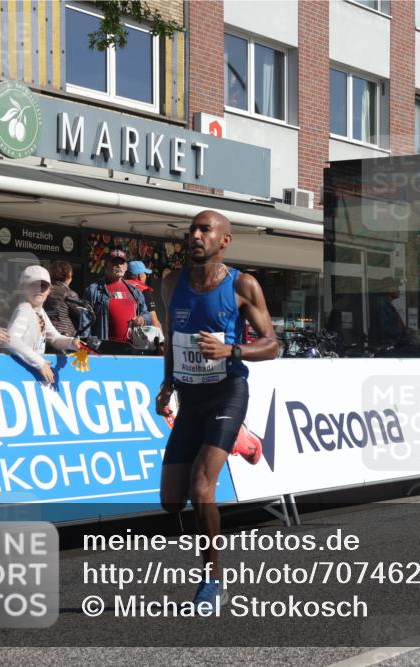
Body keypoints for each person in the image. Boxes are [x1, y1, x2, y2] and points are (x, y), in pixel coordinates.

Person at [155, 210, 279, 607]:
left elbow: (273, 344)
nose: (195, 235)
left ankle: (212, 581)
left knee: (201, 486)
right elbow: (173, 338)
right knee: (171, 501)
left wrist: (232, 349)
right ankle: (242, 439)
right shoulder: (171, 282)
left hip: (227, 392)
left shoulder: (243, 284)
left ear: (223, 241)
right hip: (190, 398)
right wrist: (167, 383)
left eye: (204, 230)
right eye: (191, 228)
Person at [6, 266, 81, 384]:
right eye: (33, 285)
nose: (39, 290)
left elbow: (55, 338)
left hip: (28, 371)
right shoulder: (24, 309)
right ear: (23, 288)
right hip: (20, 371)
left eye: (44, 286)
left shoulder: (39, 311)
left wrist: (72, 342)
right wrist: (39, 363)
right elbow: (10, 340)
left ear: (49, 290)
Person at [84, 247, 152, 354]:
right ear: (106, 265)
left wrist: (142, 319)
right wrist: (87, 350)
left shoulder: (134, 291)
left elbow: (146, 314)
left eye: (121, 263)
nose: (118, 265)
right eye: (114, 262)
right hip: (104, 351)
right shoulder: (93, 290)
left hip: (131, 350)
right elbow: (85, 323)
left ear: (126, 267)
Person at [44, 260, 89, 338]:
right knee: (84, 350)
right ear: (68, 276)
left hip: (45, 334)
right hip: (65, 335)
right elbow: (83, 315)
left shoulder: (44, 291)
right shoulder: (69, 294)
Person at [368, 277, 408, 347]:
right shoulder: (381, 305)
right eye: (396, 288)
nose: (398, 290)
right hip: (383, 346)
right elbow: (386, 328)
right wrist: (403, 332)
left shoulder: (386, 304)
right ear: (390, 290)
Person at [125, 260, 164, 332]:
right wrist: (161, 341)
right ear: (140, 276)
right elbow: (154, 321)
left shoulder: (120, 287)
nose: (146, 276)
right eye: (145, 273)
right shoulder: (143, 291)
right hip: (137, 337)